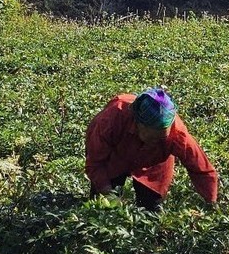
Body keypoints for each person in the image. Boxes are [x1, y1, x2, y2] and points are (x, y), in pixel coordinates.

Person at [85, 87, 219, 211]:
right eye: (152, 137)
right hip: (114, 157)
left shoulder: (177, 134)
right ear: (138, 124)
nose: (155, 142)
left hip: (155, 165)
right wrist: (108, 193)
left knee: (151, 212)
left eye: (161, 138)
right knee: (102, 209)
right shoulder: (112, 119)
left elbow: (202, 169)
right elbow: (95, 162)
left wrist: (211, 204)